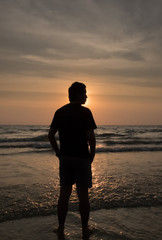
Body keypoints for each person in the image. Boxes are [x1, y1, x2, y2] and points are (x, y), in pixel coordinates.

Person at [48, 82, 97, 239]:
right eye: (84, 93)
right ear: (77, 94)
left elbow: (51, 135)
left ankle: (61, 228)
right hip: (82, 157)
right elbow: (90, 137)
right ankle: (84, 230)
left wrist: (58, 153)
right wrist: (92, 155)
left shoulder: (60, 111)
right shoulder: (86, 112)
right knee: (83, 195)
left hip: (66, 158)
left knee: (64, 194)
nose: (86, 96)